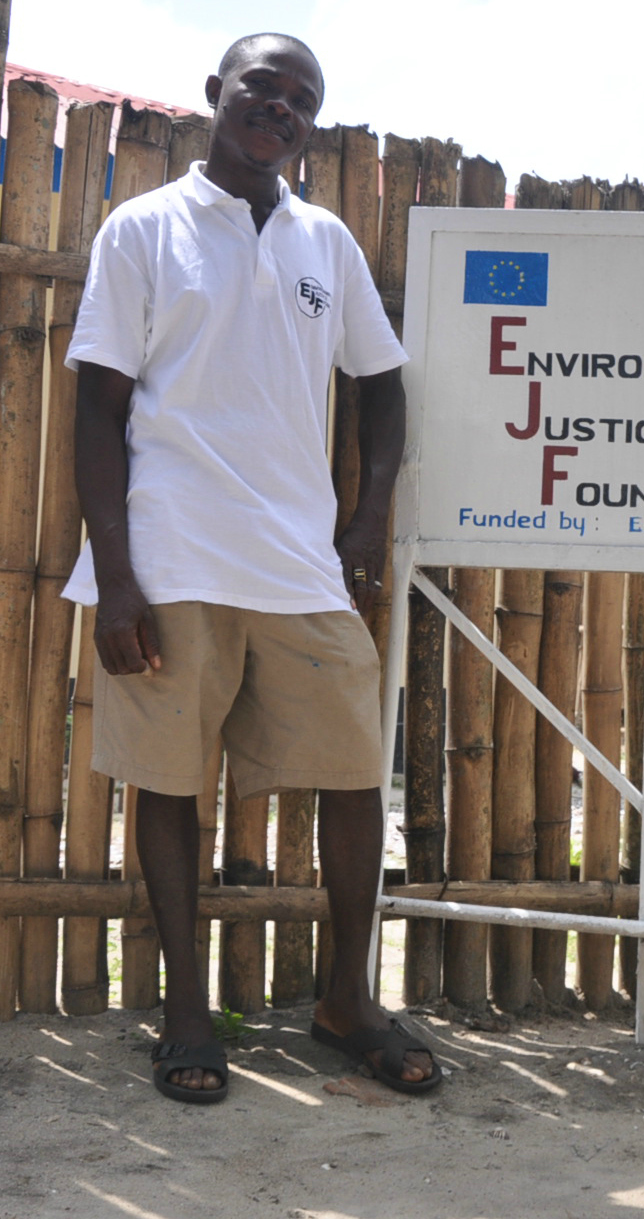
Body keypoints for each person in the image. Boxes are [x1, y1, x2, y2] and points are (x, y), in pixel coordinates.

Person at [65, 32, 438, 1104]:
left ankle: (345, 1000)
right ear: (214, 97)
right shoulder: (142, 230)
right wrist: (116, 575)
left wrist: (367, 513)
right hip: (173, 550)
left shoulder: (326, 242)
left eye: (299, 100)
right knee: (170, 782)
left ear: (310, 125)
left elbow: (381, 382)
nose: (277, 108)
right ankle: (187, 1011)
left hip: (298, 563)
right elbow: (99, 406)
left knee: (357, 773)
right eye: (259, 90)